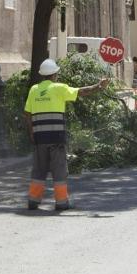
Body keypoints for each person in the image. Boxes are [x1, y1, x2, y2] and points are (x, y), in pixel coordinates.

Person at [23, 59, 109, 211]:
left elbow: (27, 113)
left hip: (39, 138)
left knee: (38, 170)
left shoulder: (34, 89)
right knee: (59, 170)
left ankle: (33, 201)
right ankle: (61, 202)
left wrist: (31, 133)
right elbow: (82, 91)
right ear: (54, 74)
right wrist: (99, 86)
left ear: (43, 75)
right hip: (56, 138)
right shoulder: (59, 88)